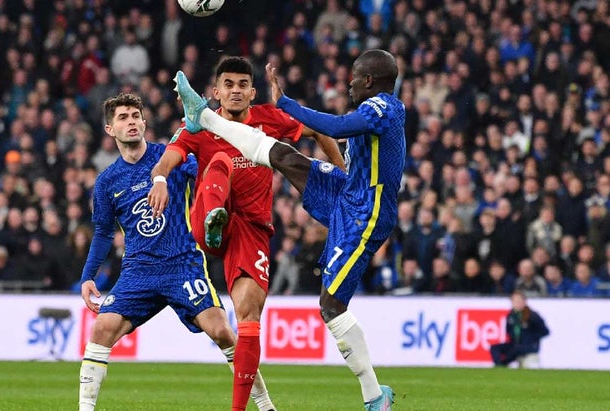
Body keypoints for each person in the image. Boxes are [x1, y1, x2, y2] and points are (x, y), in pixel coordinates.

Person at [169, 48, 401, 410]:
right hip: (348, 194)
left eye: (355, 77)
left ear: (369, 80)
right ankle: (206, 119)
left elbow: (336, 127)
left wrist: (286, 104)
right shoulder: (374, 107)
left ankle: (374, 396)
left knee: (331, 307)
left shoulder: (384, 108)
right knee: (283, 156)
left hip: (365, 213)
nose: (349, 83)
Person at [148, 56, 344, 411]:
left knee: (249, 317)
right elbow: (168, 158)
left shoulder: (268, 119)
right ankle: (215, 218)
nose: (235, 91)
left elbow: (318, 131)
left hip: (251, 230)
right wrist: (160, 179)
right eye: (228, 85)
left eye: (242, 85)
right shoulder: (197, 125)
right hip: (206, 218)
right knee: (220, 162)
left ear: (253, 92)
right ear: (216, 92)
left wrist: (342, 176)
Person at [78, 93, 275, 411]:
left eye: (135, 116)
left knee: (222, 331)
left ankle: (265, 406)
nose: (131, 122)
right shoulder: (107, 182)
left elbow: (207, 174)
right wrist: (88, 275)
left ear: (144, 122)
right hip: (138, 271)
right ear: (110, 129)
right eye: (123, 118)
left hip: (183, 264)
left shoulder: (171, 157)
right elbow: (103, 232)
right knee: (101, 329)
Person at [490, 290, 550, 368]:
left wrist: (531, 338)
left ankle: (504, 363)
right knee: (495, 348)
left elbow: (545, 331)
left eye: (518, 301)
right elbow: (508, 331)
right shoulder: (511, 316)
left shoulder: (532, 316)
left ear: (524, 301)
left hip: (528, 347)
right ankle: (499, 366)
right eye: (514, 301)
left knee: (517, 350)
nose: (516, 303)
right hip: (515, 345)